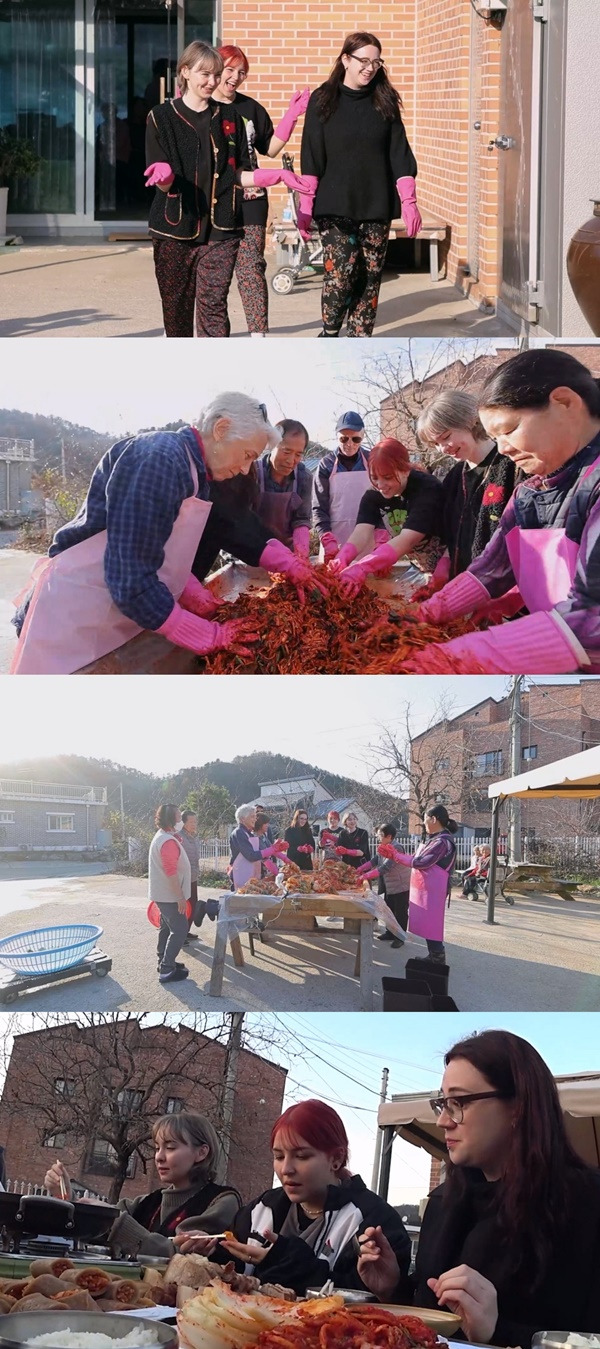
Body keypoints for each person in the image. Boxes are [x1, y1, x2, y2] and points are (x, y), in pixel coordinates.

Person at [11, 393, 323, 675]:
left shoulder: (198, 473)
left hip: (108, 615)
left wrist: (186, 588)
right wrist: (200, 632)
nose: (245, 469)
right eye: (246, 455)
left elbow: (174, 539)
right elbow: (131, 580)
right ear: (222, 429)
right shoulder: (160, 459)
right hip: (73, 611)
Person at [357, 1030, 600, 1345]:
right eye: (442, 1103)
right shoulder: (443, 1203)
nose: (443, 1120)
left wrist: (497, 1331)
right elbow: (433, 1322)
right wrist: (394, 1287)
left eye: (458, 1102)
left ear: (518, 1107)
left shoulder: (586, 1204)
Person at [410, 350, 600, 673]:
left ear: (564, 403)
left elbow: (591, 613)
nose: (502, 449)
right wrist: (426, 613)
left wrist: (453, 659)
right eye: (495, 437)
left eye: (509, 429)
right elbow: (492, 568)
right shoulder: (528, 494)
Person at [145, 42, 315, 338]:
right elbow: (163, 171)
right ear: (185, 72)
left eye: (217, 75)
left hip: (227, 220)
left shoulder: (234, 116)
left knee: (220, 298)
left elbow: (239, 170)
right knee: (176, 310)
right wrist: (165, 178)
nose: (214, 81)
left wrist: (277, 174)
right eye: (207, 74)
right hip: (176, 225)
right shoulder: (161, 117)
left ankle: (238, 352)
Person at [173, 1098, 412, 1299]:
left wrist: (286, 1260)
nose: (286, 1169)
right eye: (278, 1156)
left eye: (302, 1156)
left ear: (336, 1159)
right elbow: (234, 1265)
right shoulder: (261, 1208)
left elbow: (368, 1299)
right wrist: (209, 1251)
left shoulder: (373, 1222)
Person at [300, 31, 420, 337]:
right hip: (334, 204)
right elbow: (311, 156)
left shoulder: (385, 101)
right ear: (345, 60)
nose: (370, 68)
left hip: (375, 205)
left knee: (370, 279)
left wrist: (409, 201)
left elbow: (400, 153)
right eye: (363, 61)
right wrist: (305, 206)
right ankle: (329, 334)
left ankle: (359, 339)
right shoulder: (323, 99)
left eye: (376, 62)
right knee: (342, 275)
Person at [44, 1111, 241, 1257]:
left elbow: (176, 1253)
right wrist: (66, 1199)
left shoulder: (222, 1201)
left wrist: (114, 1221)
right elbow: (92, 1229)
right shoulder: (148, 1202)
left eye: (170, 1147)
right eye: (157, 1148)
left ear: (201, 1153)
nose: (159, 1157)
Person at [214, 46, 309, 335]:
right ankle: (214, 335)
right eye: (230, 70)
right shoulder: (203, 108)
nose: (236, 77)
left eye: (241, 72)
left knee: (251, 267)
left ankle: (259, 334)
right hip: (215, 200)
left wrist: (292, 116)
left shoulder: (250, 108)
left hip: (252, 198)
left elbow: (270, 148)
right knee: (215, 272)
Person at [416, 390, 520, 587]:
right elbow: (451, 533)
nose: (443, 449)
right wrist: (445, 562)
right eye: (435, 444)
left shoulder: (512, 464)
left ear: (470, 420)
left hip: (505, 591)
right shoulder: (454, 478)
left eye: (446, 437)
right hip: (463, 588)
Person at [328, 437, 444, 593]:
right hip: (421, 567)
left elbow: (407, 540)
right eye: (375, 478)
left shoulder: (427, 488)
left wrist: (364, 566)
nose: (381, 486)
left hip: (450, 564)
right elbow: (361, 532)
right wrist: (342, 558)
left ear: (405, 470)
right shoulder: (374, 494)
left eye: (388, 478)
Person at [378, 804, 457, 964]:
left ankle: (437, 956)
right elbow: (416, 857)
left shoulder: (442, 842)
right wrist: (398, 856)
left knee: (432, 923)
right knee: (428, 923)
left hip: (434, 889)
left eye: (426, 819)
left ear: (434, 819)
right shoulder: (435, 839)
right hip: (428, 888)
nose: (424, 823)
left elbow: (422, 862)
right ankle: (434, 954)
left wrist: (396, 856)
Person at [312, 411, 370, 558]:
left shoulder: (372, 460)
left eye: (355, 439)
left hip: (369, 541)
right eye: (344, 439)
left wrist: (382, 532)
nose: (349, 444)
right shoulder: (326, 464)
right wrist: (325, 536)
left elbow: (384, 500)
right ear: (337, 436)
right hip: (334, 541)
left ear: (363, 436)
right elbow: (319, 507)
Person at [148, 803, 193, 984]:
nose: (180, 820)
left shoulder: (164, 837)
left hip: (163, 894)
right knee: (180, 930)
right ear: (170, 819)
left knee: (166, 928)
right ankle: (167, 970)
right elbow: (171, 871)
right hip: (169, 895)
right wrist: (179, 897)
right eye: (178, 817)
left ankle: (164, 961)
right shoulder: (167, 841)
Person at [255, 419, 314, 555]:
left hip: (289, 554)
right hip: (253, 551)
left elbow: (301, 519)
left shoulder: (304, 477)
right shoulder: (252, 473)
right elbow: (242, 521)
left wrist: (301, 551)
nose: (291, 460)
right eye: (286, 452)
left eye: (298, 454)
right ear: (272, 445)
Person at [359, 822, 410, 947]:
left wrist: (366, 875)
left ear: (389, 836)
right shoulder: (383, 845)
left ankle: (400, 937)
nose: (378, 837)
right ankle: (390, 932)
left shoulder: (396, 848)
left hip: (400, 885)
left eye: (380, 835)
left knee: (400, 912)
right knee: (389, 910)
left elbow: (385, 868)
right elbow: (375, 860)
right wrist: (360, 869)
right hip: (390, 885)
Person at [229, 804, 288, 890]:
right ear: (242, 819)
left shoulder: (248, 833)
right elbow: (251, 856)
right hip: (241, 875)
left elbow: (261, 854)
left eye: (255, 817)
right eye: (252, 816)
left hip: (251, 875)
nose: (255, 819)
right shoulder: (239, 833)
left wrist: (278, 852)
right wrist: (272, 849)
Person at [178, 809, 205, 944]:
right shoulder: (179, 837)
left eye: (195, 821)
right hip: (183, 879)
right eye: (191, 822)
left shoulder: (192, 837)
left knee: (192, 904)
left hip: (192, 877)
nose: (194, 824)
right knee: (184, 907)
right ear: (183, 823)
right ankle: (179, 935)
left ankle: (185, 931)